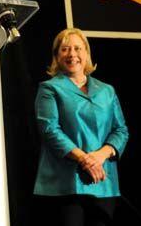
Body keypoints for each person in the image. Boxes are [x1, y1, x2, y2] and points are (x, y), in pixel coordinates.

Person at [34, 28, 129, 226]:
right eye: (65, 49)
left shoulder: (106, 90)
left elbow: (120, 130)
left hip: (102, 181)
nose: (72, 54)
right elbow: (50, 130)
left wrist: (100, 156)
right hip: (66, 183)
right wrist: (85, 159)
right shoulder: (49, 88)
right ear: (57, 56)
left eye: (77, 48)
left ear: (86, 53)